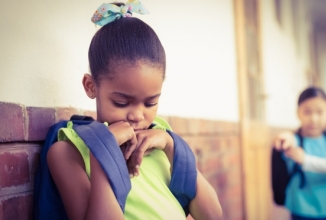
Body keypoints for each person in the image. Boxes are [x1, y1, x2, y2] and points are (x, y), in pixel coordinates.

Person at [45, 2, 222, 219]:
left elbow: (213, 215)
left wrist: (172, 146)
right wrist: (103, 151)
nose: (138, 116)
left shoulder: (159, 138)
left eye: (150, 103)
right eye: (121, 102)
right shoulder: (69, 151)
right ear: (91, 87)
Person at [273, 87, 326, 220]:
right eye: (307, 112)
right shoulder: (295, 141)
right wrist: (286, 137)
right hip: (301, 209)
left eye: (320, 112)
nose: (313, 118)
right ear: (298, 113)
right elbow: (288, 139)